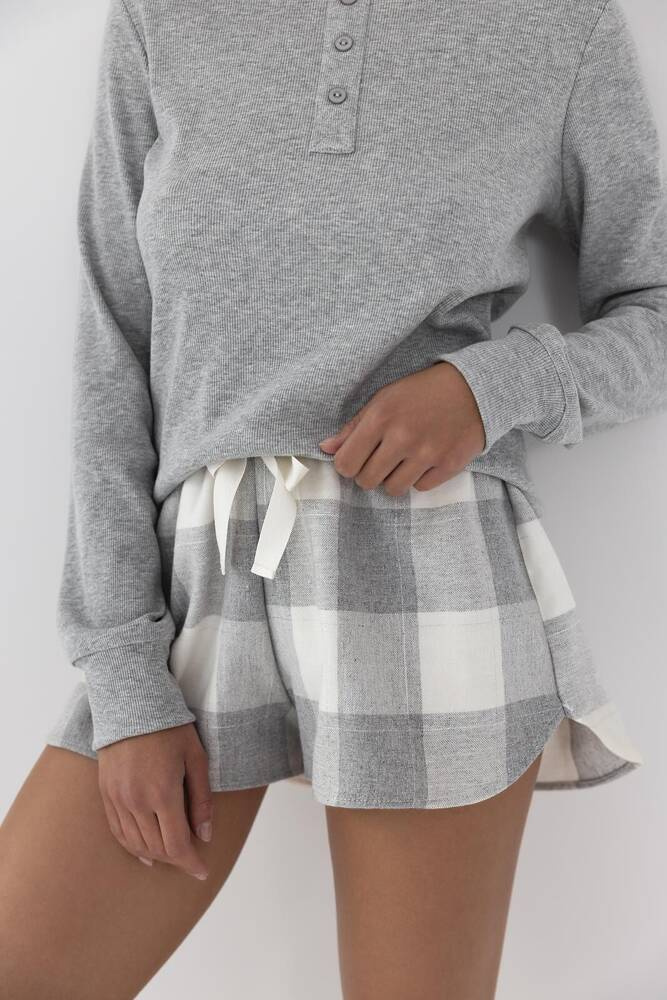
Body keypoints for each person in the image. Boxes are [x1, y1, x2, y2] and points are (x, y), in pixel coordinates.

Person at [1, 0, 665, 996]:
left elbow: (653, 308)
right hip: (202, 576)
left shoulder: (555, 23)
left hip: (431, 568)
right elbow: (113, 347)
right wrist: (125, 675)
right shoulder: (161, 19)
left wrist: (489, 388)